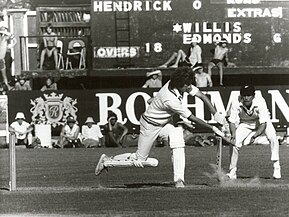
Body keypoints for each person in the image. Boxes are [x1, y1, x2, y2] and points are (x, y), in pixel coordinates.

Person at [95, 67, 226, 188]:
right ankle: (107, 161)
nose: (190, 86)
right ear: (182, 85)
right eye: (188, 85)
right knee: (140, 160)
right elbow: (192, 117)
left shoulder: (178, 83)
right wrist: (213, 128)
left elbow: (201, 96)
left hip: (165, 123)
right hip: (150, 125)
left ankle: (179, 180)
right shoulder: (170, 99)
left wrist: (215, 113)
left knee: (177, 140)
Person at [226, 85, 281, 180]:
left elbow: (263, 124)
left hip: (261, 122)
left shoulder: (260, 102)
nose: (246, 98)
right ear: (241, 95)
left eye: (249, 95)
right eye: (244, 95)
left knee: (273, 137)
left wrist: (255, 136)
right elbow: (232, 121)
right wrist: (233, 135)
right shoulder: (236, 102)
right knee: (234, 143)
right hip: (245, 123)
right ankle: (232, 171)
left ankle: (276, 167)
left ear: (253, 96)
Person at [0, 22, 16, 90]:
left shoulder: (5, 37)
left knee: (4, 75)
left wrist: (12, 45)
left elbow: (14, 39)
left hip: (1, 59)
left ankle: (7, 86)